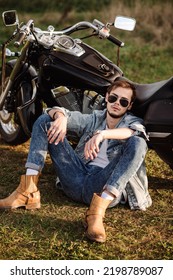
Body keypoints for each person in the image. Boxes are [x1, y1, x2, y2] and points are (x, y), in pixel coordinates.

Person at [0, 80, 152, 243]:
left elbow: (134, 132)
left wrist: (102, 134)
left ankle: (96, 214)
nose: (117, 104)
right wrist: (61, 117)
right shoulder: (95, 118)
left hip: (102, 186)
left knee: (138, 142)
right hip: (75, 178)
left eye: (123, 101)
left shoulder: (132, 122)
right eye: (114, 98)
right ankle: (27, 191)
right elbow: (57, 112)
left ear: (129, 106)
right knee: (46, 121)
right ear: (107, 97)